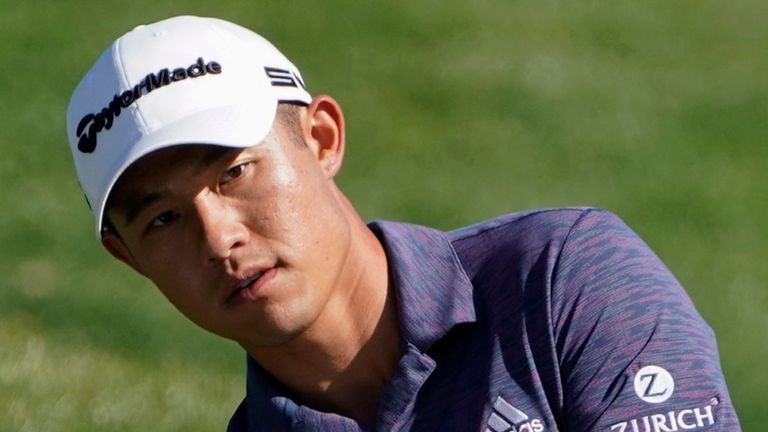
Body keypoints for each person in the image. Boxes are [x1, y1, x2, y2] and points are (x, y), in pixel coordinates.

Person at [66, 15, 740, 431]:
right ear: (127, 257)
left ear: (322, 138)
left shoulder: (565, 276)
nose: (219, 239)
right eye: (162, 219)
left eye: (235, 173)